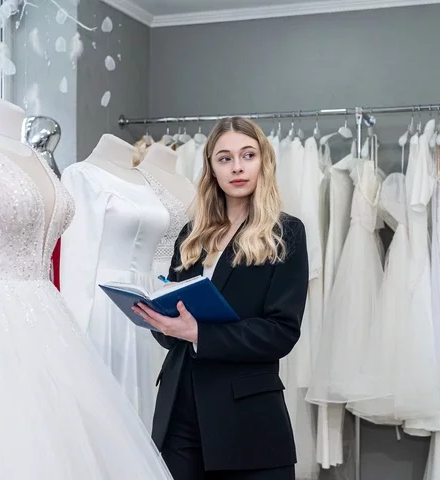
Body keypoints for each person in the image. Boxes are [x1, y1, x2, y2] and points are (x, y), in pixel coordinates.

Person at [132, 116, 309, 480]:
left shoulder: (286, 233)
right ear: (211, 168)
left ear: (264, 162)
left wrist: (200, 334)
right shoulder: (192, 234)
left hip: (247, 422)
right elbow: (176, 326)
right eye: (224, 158)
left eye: (248, 155)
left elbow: (281, 332)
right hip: (180, 409)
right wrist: (158, 319)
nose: (237, 167)